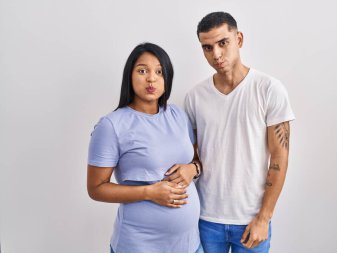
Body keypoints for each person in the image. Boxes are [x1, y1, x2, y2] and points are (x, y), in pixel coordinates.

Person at [182, 12, 296, 253]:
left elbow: (279, 157)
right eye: (207, 47)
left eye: (223, 43)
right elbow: (192, 156)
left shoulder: (268, 89)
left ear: (239, 39)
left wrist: (264, 218)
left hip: (251, 219)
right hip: (205, 218)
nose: (216, 54)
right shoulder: (194, 97)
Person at [87, 42, 203, 253]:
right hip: (139, 245)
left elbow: (197, 158)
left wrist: (193, 169)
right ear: (129, 75)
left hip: (190, 245)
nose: (151, 78)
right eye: (143, 71)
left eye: (159, 72)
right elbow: (96, 188)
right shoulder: (112, 125)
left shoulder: (177, 115)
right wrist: (149, 192)